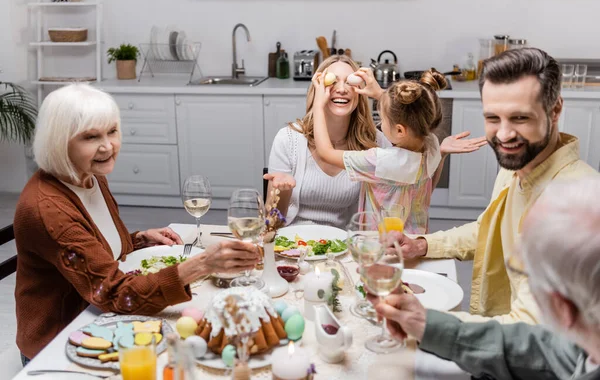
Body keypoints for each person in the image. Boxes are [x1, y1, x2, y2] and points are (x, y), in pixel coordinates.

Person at [14, 84, 261, 363]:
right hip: (64, 344)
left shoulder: (89, 176)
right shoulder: (48, 208)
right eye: (91, 137)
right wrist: (202, 264)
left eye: (112, 131)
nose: (108, 146)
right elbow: (115, 294)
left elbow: (93, 251)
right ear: (59, 141)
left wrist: (138, 239)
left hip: (98, 321)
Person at [386, 48, 598, 323]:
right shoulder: (518, 165)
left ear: (555, 109)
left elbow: (530, 331)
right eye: (493, 118)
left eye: (520, 118)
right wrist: (422, 244)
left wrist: (427, 324)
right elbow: (488, 230)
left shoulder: (579, 206)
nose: (505, 135)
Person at [371, 177, 600, 380]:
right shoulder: (586, 344)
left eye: (522, 270)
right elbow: (543, 350)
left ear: (562, 309)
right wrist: (427, 325)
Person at [266, 55, 484, 230]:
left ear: (360, 92)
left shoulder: (378, 144)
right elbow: (271, 223)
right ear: (317, 88)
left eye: (349, 81)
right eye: (331, 81)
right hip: (295, 245)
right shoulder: (289, 140)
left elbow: (414, 184)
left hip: (350, 247)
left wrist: (318, 107)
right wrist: (282, 191)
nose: (341, 88)